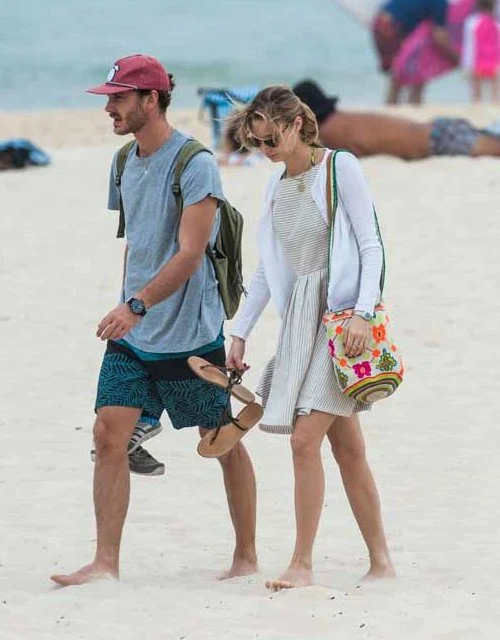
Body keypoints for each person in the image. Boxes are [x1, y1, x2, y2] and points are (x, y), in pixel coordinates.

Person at [50, 54, 258, 586]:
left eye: (119, 98)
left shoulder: (195, 163)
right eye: (109, 98)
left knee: (221, 443)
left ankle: (247, 556)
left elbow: (190, 253)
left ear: (152, 100)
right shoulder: (124, 161)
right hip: (133, 334)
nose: (110, 108)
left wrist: (135, 304)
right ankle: (105, 563)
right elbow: (138, 243)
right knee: (108, 434)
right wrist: (127, 304)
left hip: (188, 335)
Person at [225, 85, 395, 590]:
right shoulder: (276, 186)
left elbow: (371, 246)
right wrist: (240, 331)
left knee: (304, 440)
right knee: (348, 450)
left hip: (341, 321)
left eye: (272, 138)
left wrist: (364, 313)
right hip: (301, 323)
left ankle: (302, 564)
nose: (267, 149)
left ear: (298, 123)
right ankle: (381, 560)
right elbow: (265, 270)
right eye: (257, 143)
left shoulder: (340, 168)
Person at [293, 79, 500, 160]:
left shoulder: (331, 132)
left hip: (438, 141)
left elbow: (348, 157)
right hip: (438, 128)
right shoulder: (345, 117)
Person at [372, 0, 459, 104]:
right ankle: (411, 104)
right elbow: (439, 36)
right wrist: (456, 58)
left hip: (380, 22)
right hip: (393, 27)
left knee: (404, 71)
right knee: (403, 74)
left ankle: (398, 107)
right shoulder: (440, 3)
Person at [462, 0, 500, 102]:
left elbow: (469, 45)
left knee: (476, 94)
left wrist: (467, 65)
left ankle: (477, 104)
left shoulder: (471, 22)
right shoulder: (496, 24)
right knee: (495, 93)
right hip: (494, 60)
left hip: (478, 61)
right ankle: (495, 103)